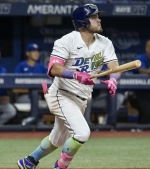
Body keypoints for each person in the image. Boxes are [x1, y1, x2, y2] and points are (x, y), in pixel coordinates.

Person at [17, 4, 120, 169]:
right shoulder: (67, 41)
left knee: (56, 140)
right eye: (94, 17)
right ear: (83, 22)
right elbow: (53, 68)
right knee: (82, 133)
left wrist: (114, 79)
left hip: (82, 98)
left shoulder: (105, 43)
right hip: (62, 94)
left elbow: (115, 67)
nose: (99, 19)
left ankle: (29, 161)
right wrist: (76, 74)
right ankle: (60, 166)